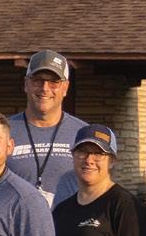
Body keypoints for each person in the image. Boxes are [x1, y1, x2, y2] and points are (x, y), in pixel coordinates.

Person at [7, 50, 87, 199]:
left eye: (53, 82)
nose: (45, 88)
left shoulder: (83, 134)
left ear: (65, 87)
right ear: (26, 84)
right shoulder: (2, 132)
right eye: (38, 80)